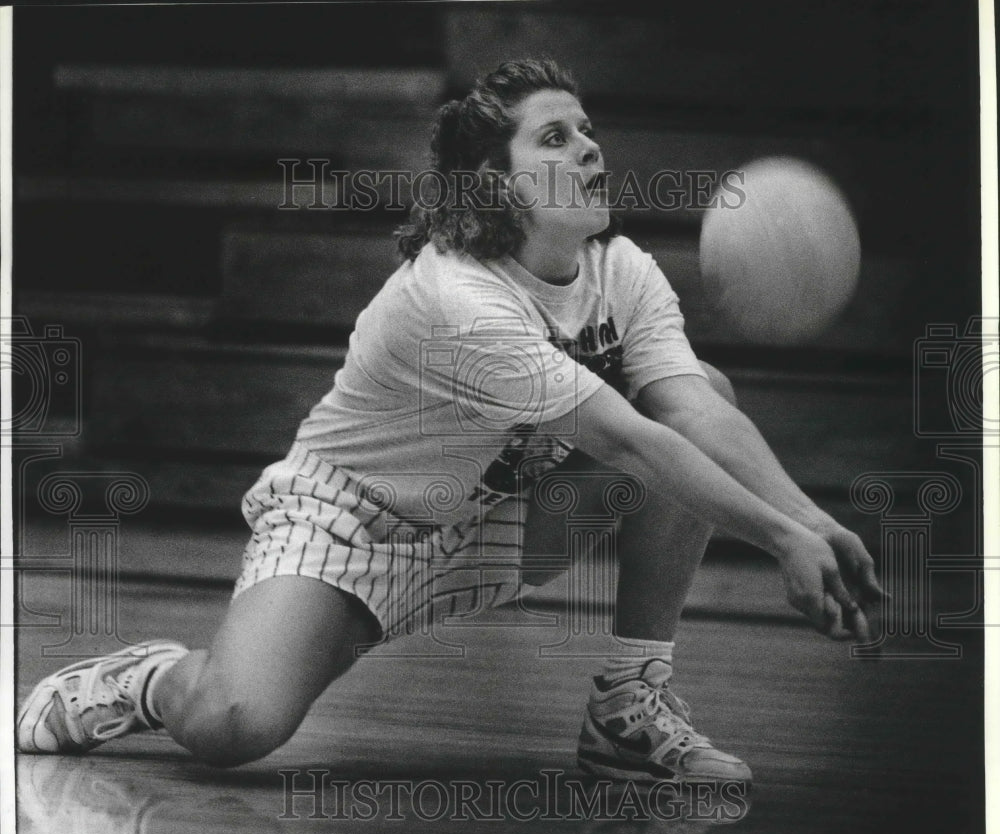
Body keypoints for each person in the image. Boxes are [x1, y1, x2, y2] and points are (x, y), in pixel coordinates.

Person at [17, 59, 884, 784]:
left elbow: (689, 411)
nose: (588, 147)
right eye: (555, 137)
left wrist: (813, 523)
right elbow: (629, 441)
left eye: (587, 130)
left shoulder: (622, 270)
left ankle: (628, 707)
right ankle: (148, 681)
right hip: (350, 528)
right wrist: (779, 539)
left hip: (494, 520)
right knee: (233, 724)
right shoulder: (458, 299)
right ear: (495, 184)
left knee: (707, 389)